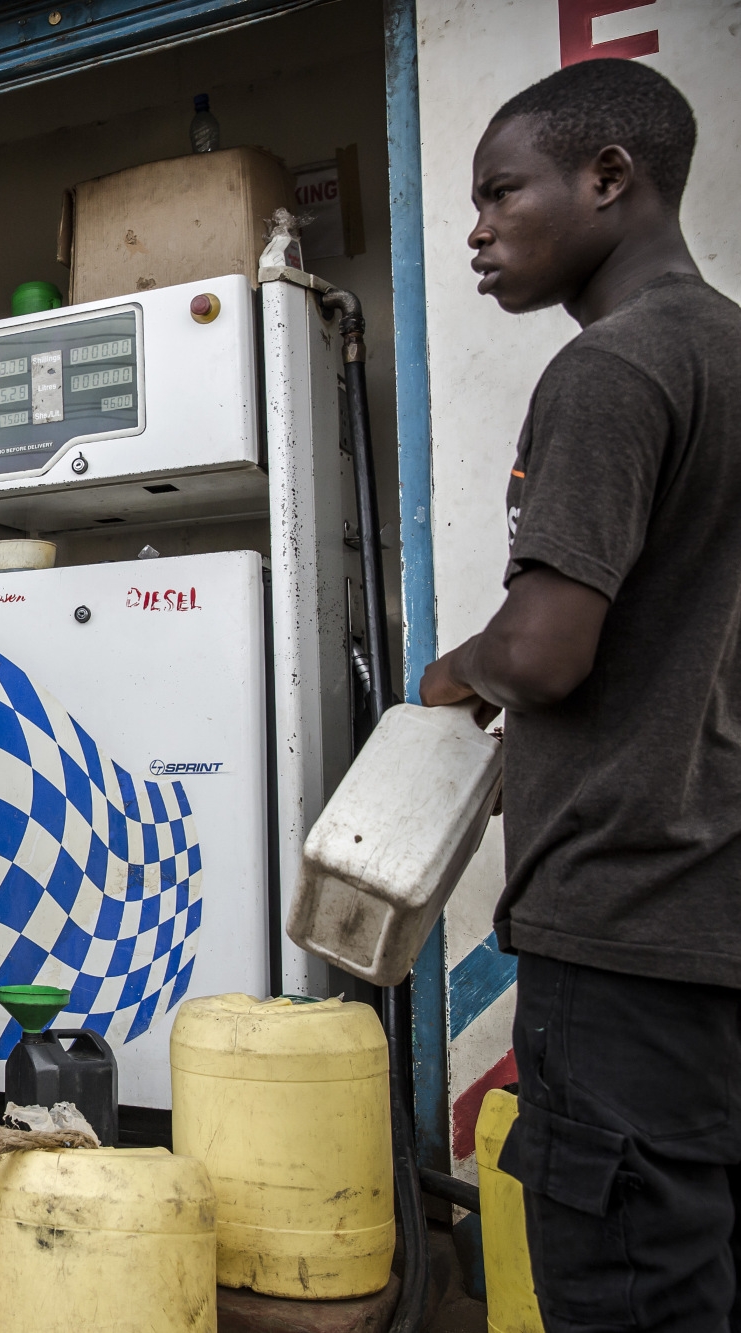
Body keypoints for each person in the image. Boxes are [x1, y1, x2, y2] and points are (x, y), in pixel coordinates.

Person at [416, 60, 741, 1328]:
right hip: (715, 923)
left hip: (621, 923)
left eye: (503, 192)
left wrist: (460, 670)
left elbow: (548, 649)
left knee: (627, 1296)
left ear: (610, 178)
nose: (478, 229)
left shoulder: (612, 372)